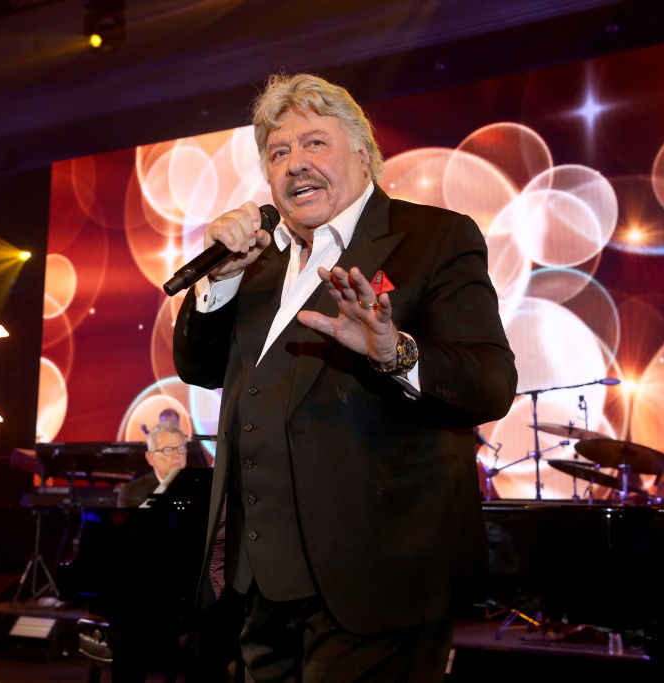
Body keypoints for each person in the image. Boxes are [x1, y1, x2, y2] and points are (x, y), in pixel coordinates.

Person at [172, 73, 517, 681]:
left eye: (314, 144)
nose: (294, 165)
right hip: (263, 580)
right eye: (278, 153)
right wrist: (219, 278)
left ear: (362, 151)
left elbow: (490, 383)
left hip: (382, 577)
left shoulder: (434, 238)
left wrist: (394, 351)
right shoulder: (256, 262)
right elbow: (198, 369)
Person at [118, 422, 189, 508]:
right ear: (150, 458)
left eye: (181, 449)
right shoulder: (131, 492)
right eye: (167, 450)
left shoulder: (203, 488)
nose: (177, 455)